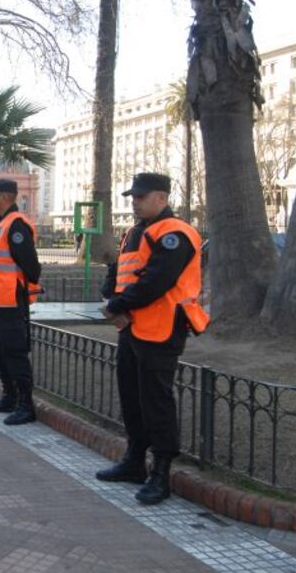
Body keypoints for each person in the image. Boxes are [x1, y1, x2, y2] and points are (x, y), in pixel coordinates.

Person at [95, 173, 209, 506]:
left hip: (161, 329)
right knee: (132, 397)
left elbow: (156, 282)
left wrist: (116, 305)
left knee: (156, 402)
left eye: (141, 197)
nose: (135, 201)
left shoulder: (176, 233)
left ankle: (161, 472)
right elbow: (120, 271)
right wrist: (110, 293)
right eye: (133, 196)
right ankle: (135, 461)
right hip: (131, 327)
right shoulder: (135, 232)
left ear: (162, 198)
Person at [0, 179, 42, 426]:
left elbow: (31, 265)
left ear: (4, 197)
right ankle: (9, 396)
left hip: (11, 298)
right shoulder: (2, 224)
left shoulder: (16, 225)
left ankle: (26, 405)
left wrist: (21, 287)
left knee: (15, 352)